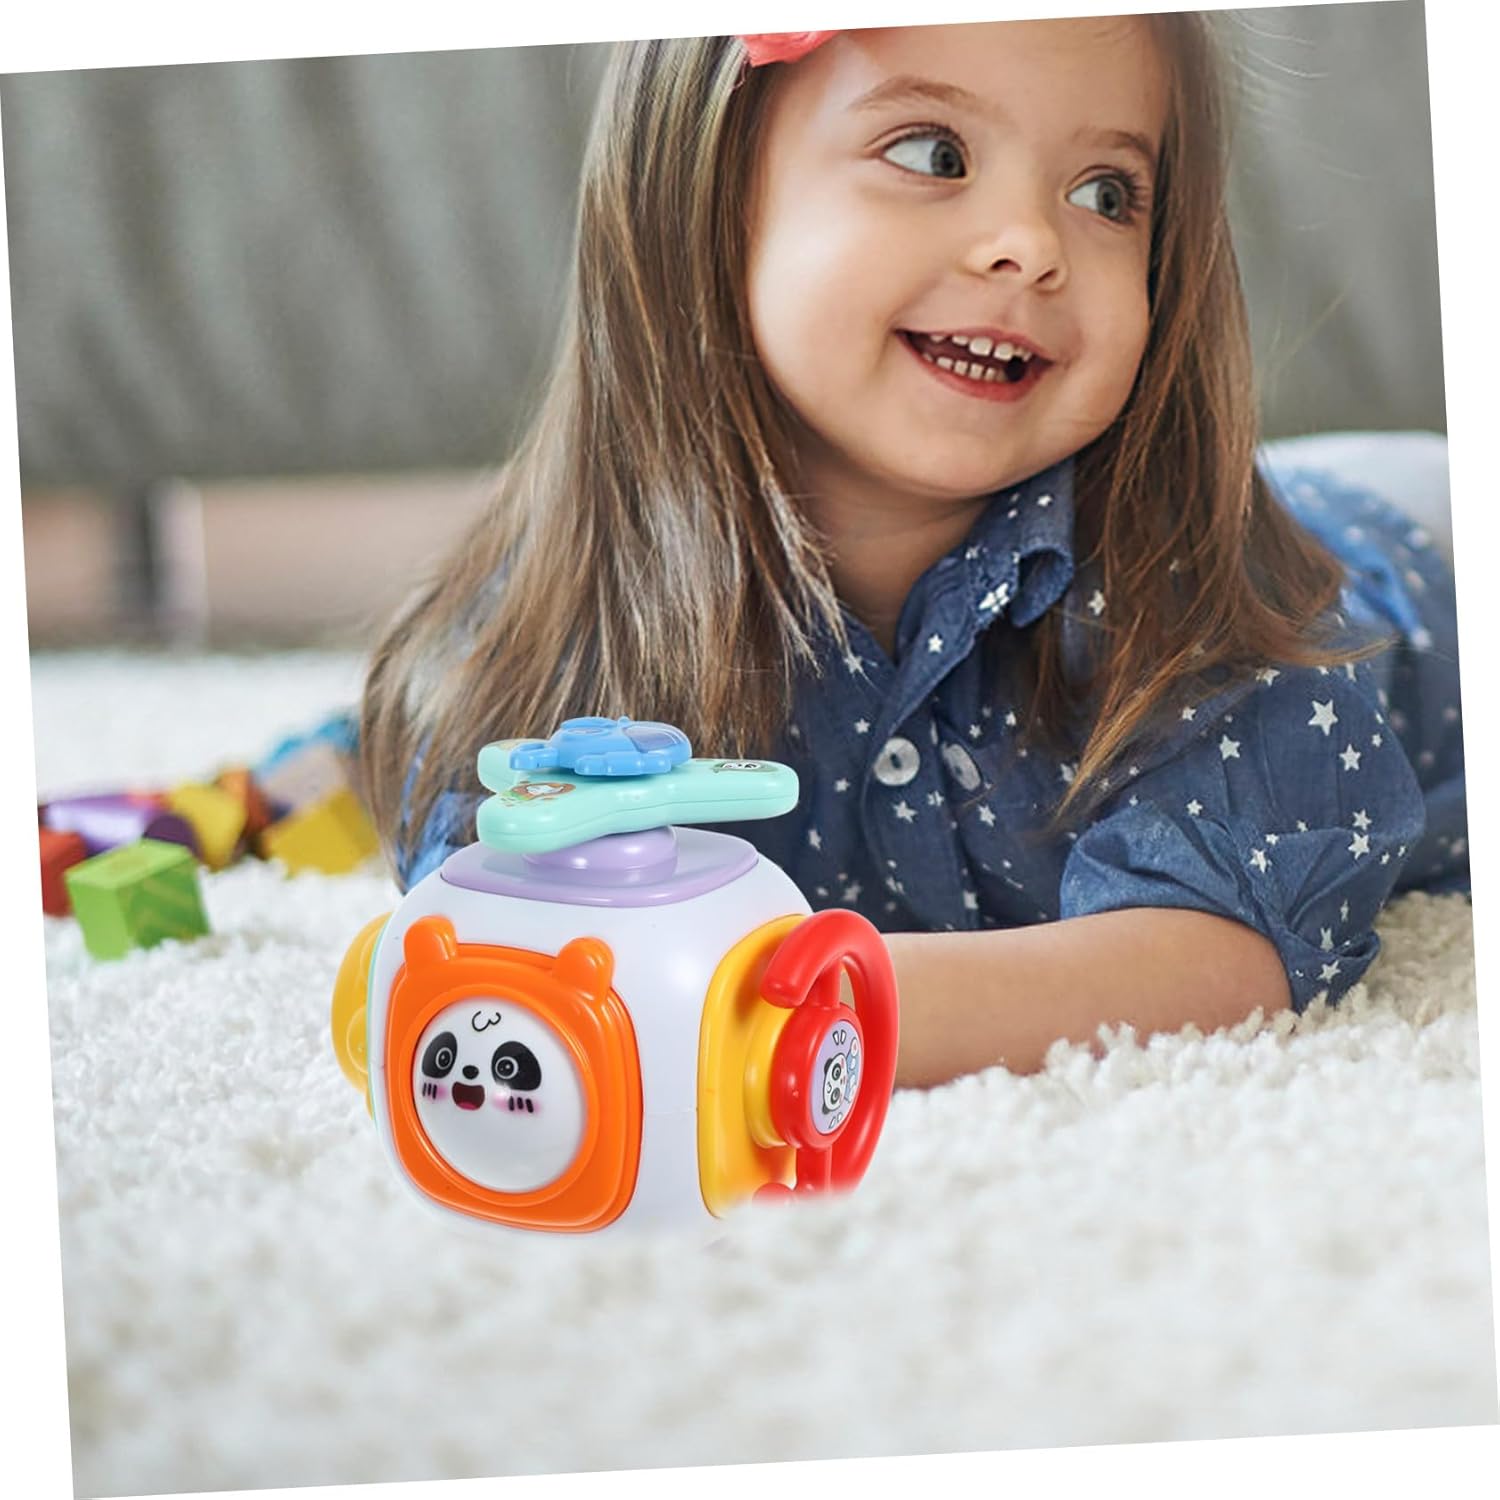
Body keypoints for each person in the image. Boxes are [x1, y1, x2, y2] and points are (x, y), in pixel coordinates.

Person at [358, 19, 1465, 1087]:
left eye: (1105, 194)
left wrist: (775, 1011)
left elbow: (1216, 955)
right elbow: (488, 926)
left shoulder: (1204, 593)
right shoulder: (544, 632)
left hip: (1416, 531)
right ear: (701, 184)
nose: (1031, 246)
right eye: (934, 155)